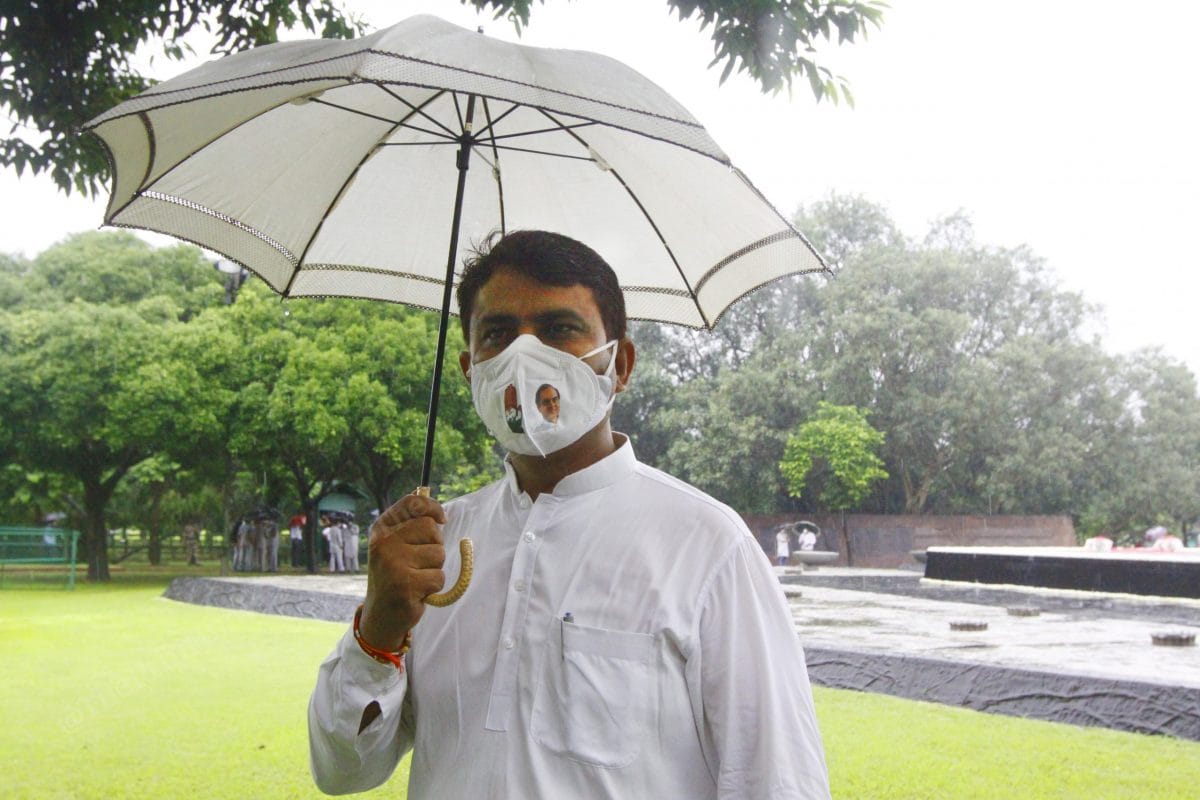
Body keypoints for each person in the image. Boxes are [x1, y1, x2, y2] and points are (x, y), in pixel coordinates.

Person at [308, 230, 830, 799]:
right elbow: (343, 771)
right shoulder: (434, 550)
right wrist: (379, 629)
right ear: (469, 369)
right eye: (498, 334)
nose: (525, 356)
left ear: (619, 364)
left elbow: (778, 781)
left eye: (559, 329)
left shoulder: (707, 547)